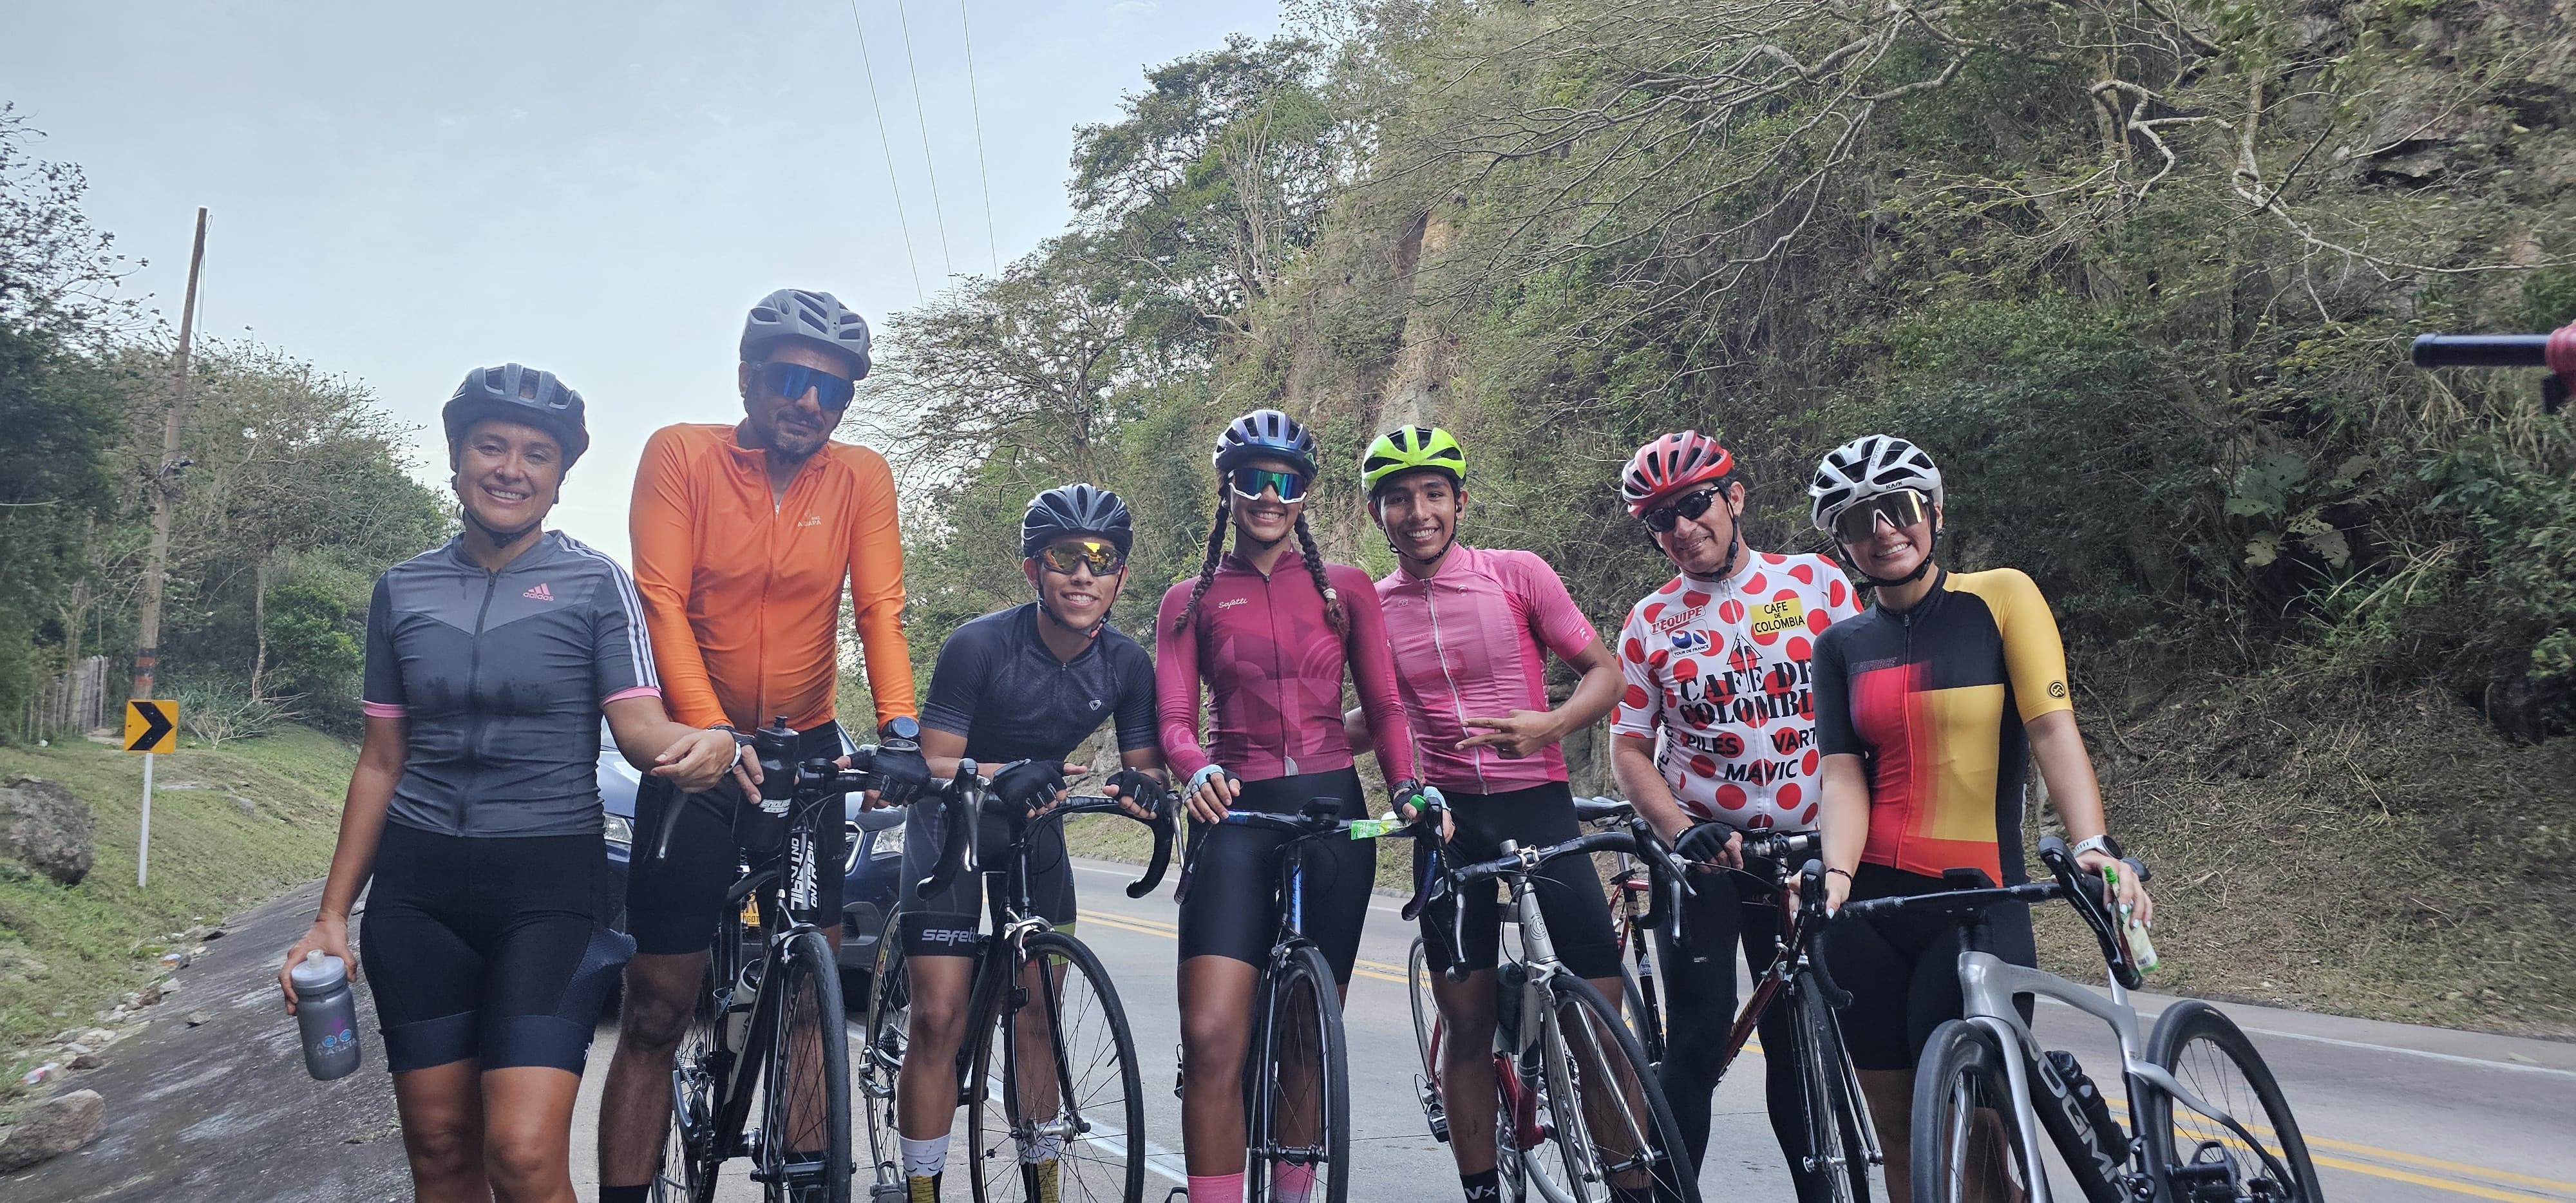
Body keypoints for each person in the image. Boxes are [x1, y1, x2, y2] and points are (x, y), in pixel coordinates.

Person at [277, 365, 742, 1203]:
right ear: (456, 458)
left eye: (537, 454)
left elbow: (639, 729)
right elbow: (381, 760)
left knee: (524, 1157)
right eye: (491, 446)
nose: (511, 468)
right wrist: (330, 918)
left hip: (549, 892)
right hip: (417, 900)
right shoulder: (403, 590)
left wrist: (705, 742)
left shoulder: (597, 584)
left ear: (560, 477)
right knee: (444, 1151)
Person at [598, 289, 931, 1202]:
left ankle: (809, 1173)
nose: (811, 403)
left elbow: (879, 610)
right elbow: (659, 596)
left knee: (812, 996)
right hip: (699, 748)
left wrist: (900, 726)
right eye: (790, 379)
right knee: (660, 1006)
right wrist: (706, 728)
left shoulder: (861, 475)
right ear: (747, 377)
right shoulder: (682, 455)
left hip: (807, 741)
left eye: (833, 391)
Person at [1805, 434, 2152, 1203]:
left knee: (1983, 1134)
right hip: (1868, 910)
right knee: (1900, 1131)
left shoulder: (1998, 597)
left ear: (1931, 510)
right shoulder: (1838, 645)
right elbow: (1841, 773)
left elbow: (2052, 728)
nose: (1883, 531)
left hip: (1975, 903)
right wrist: (1833, 875)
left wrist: (2093, 844)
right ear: (1840, 542)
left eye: (1897, 509)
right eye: (1858, 520)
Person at [1341, 426, 1626, 1203]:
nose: (1417, 511)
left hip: (1540, 806)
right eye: (1398, 497)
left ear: (1460, 501)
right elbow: (1369, 718)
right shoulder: (1369, 605)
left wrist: (1554, 723)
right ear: (1378, 514)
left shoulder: (1516, 574)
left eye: (1433, 493)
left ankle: (1632, 1183)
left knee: (1601, 1022)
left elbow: (1605, 672)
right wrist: (1283, 754)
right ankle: (1481, 1191)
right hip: (1448, 820)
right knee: (1465, 1025)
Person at [1157, 408, 1426, 1203]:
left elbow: (1383, 706)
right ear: (1227, 487)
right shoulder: (1189, 597)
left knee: (1307, 1038)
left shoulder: (1345, 588)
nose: (1269, 495)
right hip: (1233, 814)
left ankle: (1292, 1194)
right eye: (1253, 478)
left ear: (1306, 494)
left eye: (1287, 481)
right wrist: (1196, 770)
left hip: (1331, 812)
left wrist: (1407, 785)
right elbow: (1174, 719)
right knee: (1211, 1038)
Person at [1604, 430, 1862, 1197]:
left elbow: (1866, 712)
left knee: (1799, 1045)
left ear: (1734, 497)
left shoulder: (1816, 583)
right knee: (1696, 1039)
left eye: (1693, 505)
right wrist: (1682, 832)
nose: (1682, 528)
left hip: (1816, 851)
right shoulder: (1649, 621)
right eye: (1661, 520)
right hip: (1711, 857)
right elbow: (1628, 751)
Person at [893, 483, 1168, 1202]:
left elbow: (1145, 765)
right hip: (951, 825)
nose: (1083, 572)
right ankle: (923, 1190)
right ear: (1032, 569)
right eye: (1064, 556)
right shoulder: (978, 643)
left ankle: (1041, 1186)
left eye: (1102, 558)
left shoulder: (1127, 663)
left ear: (1120, 578)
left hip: (1034, 828)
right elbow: (932, 763)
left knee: (1039, 1015)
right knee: (939, 1017)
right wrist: (1001, 770)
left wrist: (1146, 788)